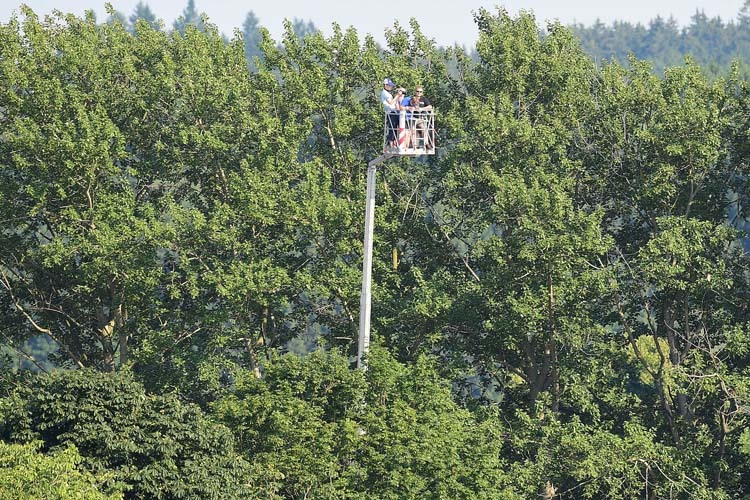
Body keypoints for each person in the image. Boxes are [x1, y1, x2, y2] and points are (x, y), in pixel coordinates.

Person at [411, 86, 433, 150]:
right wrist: (415, 107)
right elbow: (411, 105)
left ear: (422, 93)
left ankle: (426, 143)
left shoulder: (424, 99)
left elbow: (430, 106)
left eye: (420, 92)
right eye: (417, 91)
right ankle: (415, 145)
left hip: (421, 118)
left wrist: (422, 109)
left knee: (423, 130)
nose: (419, 93)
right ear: (415, 92)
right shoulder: (412, 98)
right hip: (413, 118)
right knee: (413, 131)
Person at [381, 78, 400, 150]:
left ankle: (394, 143)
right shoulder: (385, 93)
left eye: (391, 85)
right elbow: (391, 102)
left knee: (395, 128)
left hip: (394, 112)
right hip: (390, 112)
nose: (390, 87)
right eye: (389, 85)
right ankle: (391, 144)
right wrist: (397, 95)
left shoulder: (387, 93)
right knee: (392, 128)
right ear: (385, 85)